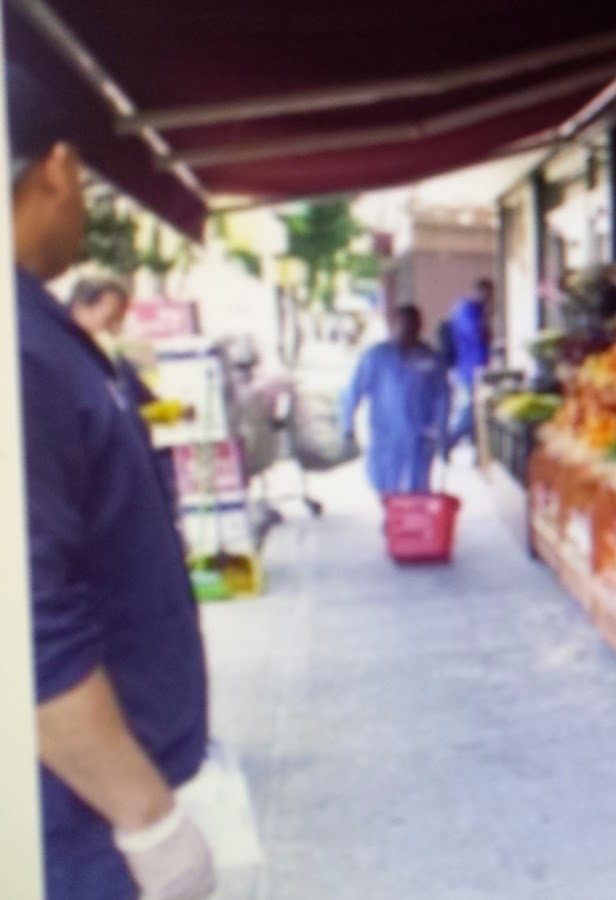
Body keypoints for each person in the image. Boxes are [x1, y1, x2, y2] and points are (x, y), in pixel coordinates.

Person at [8, 65, 214, 900]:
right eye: (83, 180)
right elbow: (24, 622)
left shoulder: (34, 328)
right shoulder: (15, 351)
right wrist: (147, 819)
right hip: (73, 823)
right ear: (56, 167)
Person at [67, 278, 181, 507]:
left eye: (121, 318)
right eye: (110, 318)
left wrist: (178, 412)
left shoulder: (115, 361)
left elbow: (144, 407)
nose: (117, 327)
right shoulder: (63, 359)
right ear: (80, 309)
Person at [340, 304, 450, 495]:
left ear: (420, 327)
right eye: (403, 325)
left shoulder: (430, 358)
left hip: (421, 435)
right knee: (385, 487)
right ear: (394, 326)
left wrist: (442, 433)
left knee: (419, 491)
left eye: (413, 326)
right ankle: (393, 520)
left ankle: (413, 522)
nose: (408, 331)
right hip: (386, 436)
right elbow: (353, 391)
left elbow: (443, 397)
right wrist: (347, 425)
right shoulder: (376, 357)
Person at [442, 277, 493, 461]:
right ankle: (449, 441)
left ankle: (477, 451)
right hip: (468, 367)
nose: (489, 299)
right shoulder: (468, 310)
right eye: (487, 294)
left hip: (475, 365)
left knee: (474, 409)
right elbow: (476, 336)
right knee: (471, 410)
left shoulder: (475, 310)